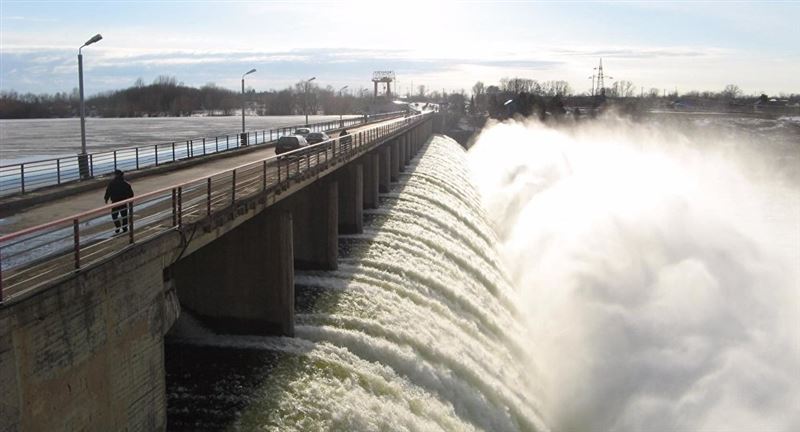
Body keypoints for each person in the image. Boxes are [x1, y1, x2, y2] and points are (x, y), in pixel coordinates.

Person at [104, 169, 134, 234]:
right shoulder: (125, 183)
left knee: (114, 215)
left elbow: (108, 191)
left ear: (115, 175)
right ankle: (124, 227)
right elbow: (131, 193)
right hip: (123, 201)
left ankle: (118, 226)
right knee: (124, 215)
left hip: (115, 201)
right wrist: (130, 200)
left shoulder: (112, 183)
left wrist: (106, 198)